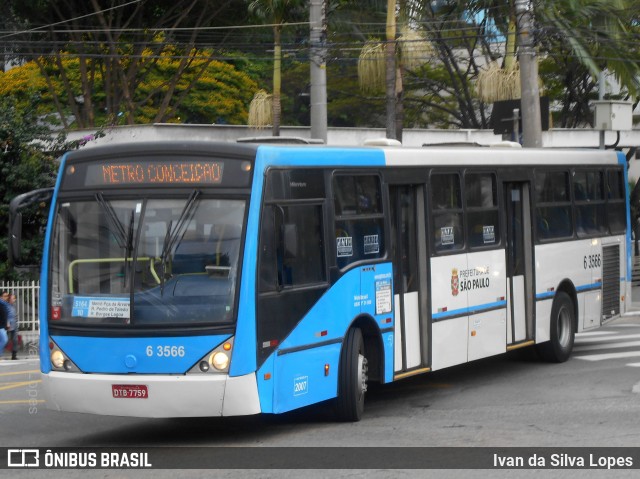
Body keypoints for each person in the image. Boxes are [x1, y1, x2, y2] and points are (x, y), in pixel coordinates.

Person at [7, 293, 18, 360]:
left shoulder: (13, 306)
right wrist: (7, 323)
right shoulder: (7, 306)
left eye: (14, 298)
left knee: (15, 340)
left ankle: (14, 355)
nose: (14, 300)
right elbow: (6, 315)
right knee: (6, 340)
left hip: (14, 325)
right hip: (9, 325)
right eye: (13, 298)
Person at [0, 291, 9, 358]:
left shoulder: (5, 304)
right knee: (5, 340)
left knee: (3, 340)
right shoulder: (1, 304)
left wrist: (7, 323)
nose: (6, 297)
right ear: (1, 297)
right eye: (5, 296)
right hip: (0, 326)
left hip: (3, 326)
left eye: (7, 296)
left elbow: (6, 315)